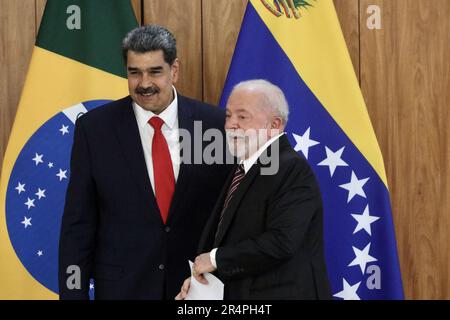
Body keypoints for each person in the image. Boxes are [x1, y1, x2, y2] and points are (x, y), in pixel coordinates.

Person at [58, 25, 231, 299]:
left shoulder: (214, 125)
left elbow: (233, 214)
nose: (144, 83)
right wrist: (73, 295)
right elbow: (78, 224)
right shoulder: (95, 129)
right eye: (134, 72)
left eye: (155, 71)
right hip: (123, 288)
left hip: (197, 288)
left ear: (174, 70)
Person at [176, 80, 331, 300]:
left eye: (242, 116)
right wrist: (200, 282)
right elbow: (232, 240)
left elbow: (282, 242)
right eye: (228, 116)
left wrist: (214, 259)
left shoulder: (292, 169)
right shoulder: (243, 168)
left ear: (275, 125)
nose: (231, 124)